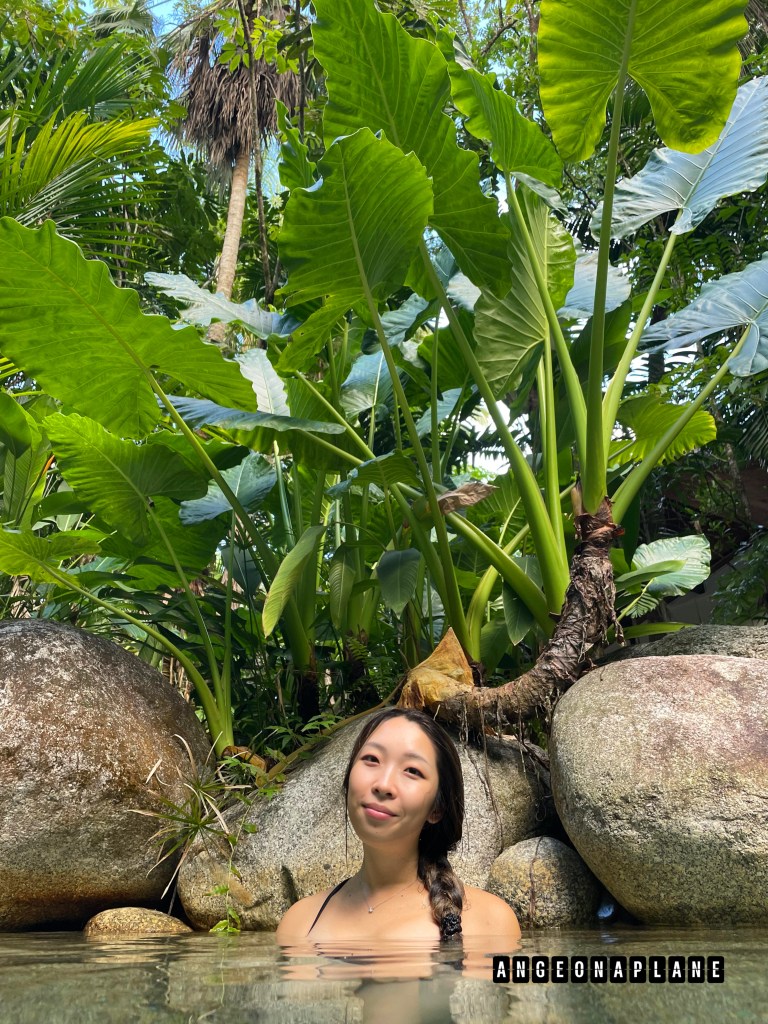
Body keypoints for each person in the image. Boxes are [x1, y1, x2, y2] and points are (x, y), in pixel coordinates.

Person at [276, 707, 521, 943]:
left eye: (412, 771)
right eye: (372, 759)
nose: (383, 784)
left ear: (436, 809)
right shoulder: (299, 925)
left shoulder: (491, 924)